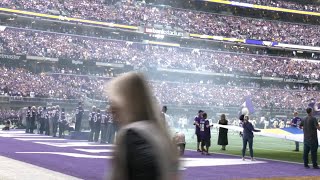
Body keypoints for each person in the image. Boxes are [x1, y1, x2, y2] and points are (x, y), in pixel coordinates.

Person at [106, 72, 179, 180]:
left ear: (128, 101)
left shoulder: (133, 134)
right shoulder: (160, 133)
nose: (111, 109)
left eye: (114, 100)